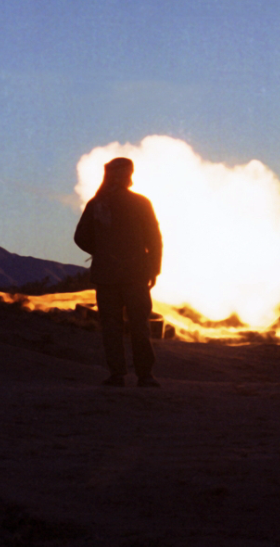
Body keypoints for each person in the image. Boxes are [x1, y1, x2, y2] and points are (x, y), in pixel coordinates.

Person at [74, 157, 163, 387]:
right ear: (128, 175)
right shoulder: (140, 203)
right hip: (135, 274)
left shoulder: (97, 203)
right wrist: (152, 269)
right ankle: (145, 375)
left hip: (108, 275)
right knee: (139, 325)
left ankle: (117, 374)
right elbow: (155, 240)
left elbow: (80, 237)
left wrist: (102, 251)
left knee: (111, 327)